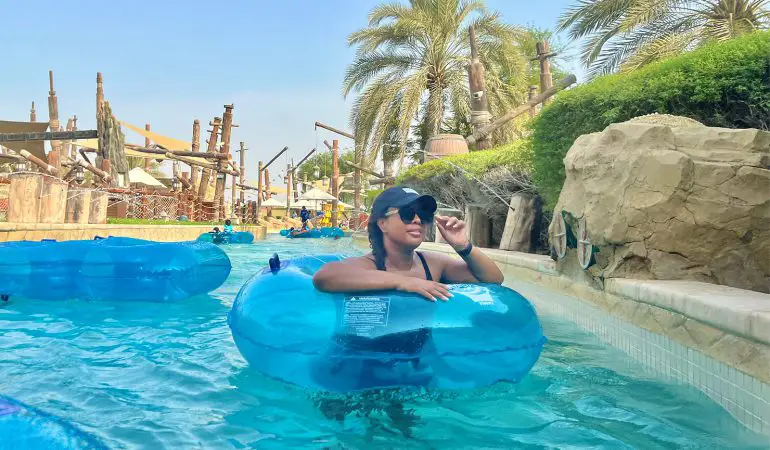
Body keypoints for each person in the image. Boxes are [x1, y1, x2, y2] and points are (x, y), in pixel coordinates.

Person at [313, 186, 503, 301]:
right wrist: (403, 282)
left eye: (423, 215)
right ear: (382, 224)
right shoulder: (368, 265)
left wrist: (463, 246)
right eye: (407, 214)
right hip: (366, 360)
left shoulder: (434, 264)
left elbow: (494, 280)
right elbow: (324, 277)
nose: (418, 220)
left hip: (418, 360)